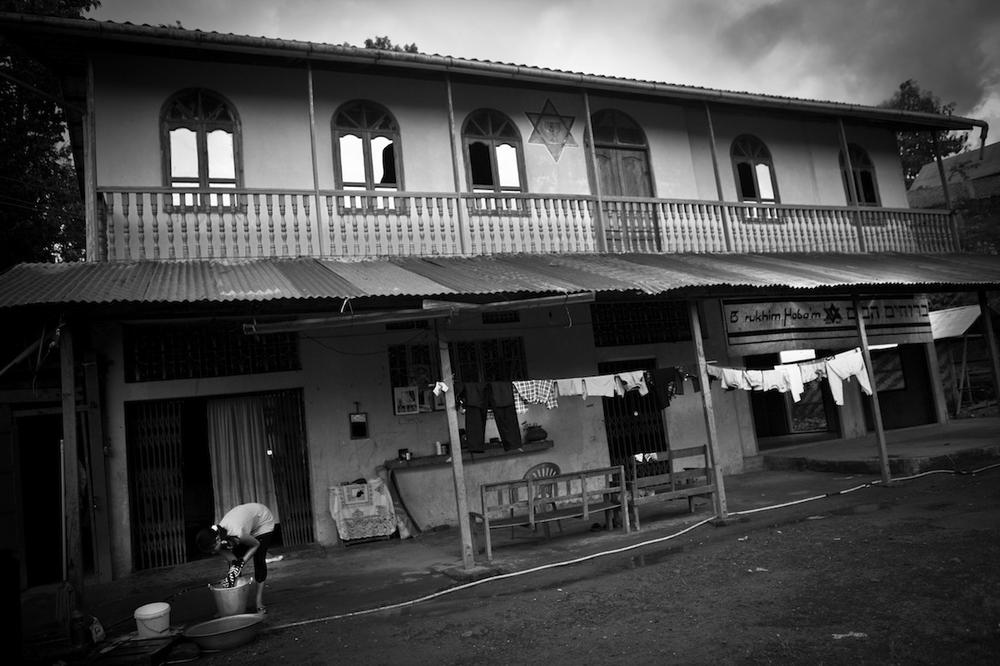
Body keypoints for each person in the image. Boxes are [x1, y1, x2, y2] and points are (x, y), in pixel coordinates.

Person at [196, 502, 275, 614]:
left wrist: (241, 562)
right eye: (210, 551)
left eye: (213, 548)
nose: (214, 552)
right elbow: (233, 562)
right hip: (246, 524)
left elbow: (256, 544)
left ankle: (259, 602)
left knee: (259, 560)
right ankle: (234, 605)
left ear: (218, 539)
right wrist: (234, 570)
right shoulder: (218, 539)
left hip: (263, 521)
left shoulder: (237, 533)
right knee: (233, 571)